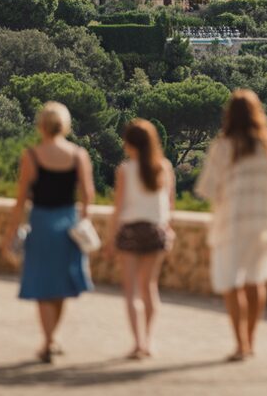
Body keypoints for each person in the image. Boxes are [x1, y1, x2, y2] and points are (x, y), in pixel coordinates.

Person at [195, 89, 267, 362]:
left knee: (232, 283)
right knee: (256, 280)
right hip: (264, 223)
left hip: (232, 222)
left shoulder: (223, 146)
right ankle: (251, 340)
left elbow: (208, 188)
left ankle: (240, 343)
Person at [4, 101, 95, 364]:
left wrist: (11, 232)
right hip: (68, 223)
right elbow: (88, 195)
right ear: (65, 125)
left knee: (43, 286)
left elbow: (21, 199)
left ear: (40, 125)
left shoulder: (31, 156)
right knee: (60, 286)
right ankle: (52, 338)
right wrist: (84, 222)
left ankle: (48, 340)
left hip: (42, 223)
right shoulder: (79, 155)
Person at [107, 119, 175, 360]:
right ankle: (150, 340)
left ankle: (138, 343)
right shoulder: (165, 167)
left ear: (129, 144)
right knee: (150, 288)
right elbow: (169, 206)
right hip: (156, 232)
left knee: (132, 291)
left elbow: (119, 208)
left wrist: (110, 238)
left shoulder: (125, 170)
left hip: (131, 232)